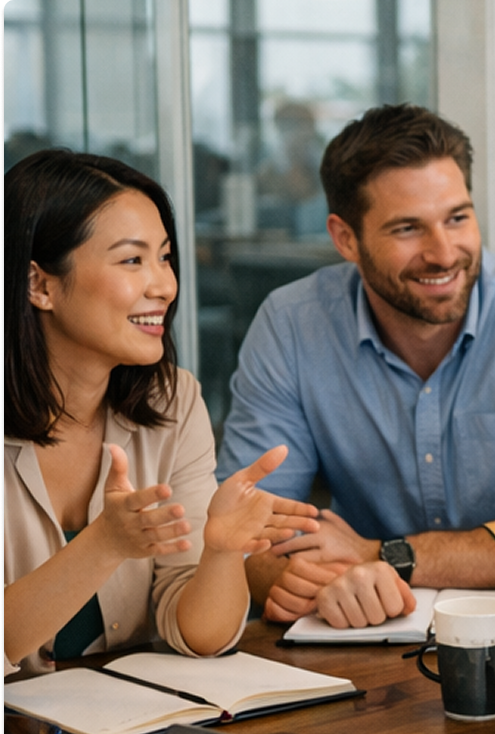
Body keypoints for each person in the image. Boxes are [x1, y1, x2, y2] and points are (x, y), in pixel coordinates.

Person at [216, 104, 495, 629]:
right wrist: (294, 578)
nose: (443, 253)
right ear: (346, 238)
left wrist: (382, 556)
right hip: (367, 631)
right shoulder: (292, 325)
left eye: (458, 218)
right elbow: (247, 523)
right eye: (408, 228)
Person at [3, 150, 317, 677]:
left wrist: (219, 554)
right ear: (40, 285)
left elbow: (202, 637)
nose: (164, 287)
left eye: (165, 258)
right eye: (132, 260)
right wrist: (104, 544)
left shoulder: (172, 402)